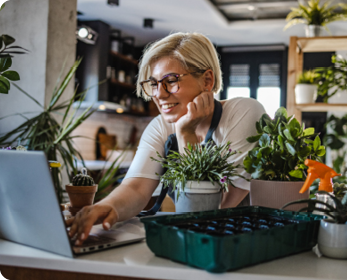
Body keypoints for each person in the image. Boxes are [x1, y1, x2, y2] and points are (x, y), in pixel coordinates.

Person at [67, 32, 266, 245]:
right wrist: (107, 208)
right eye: (153, 84)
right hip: (192, 242)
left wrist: (186, 134)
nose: (159, 95)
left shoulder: (244, 112)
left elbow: (215, 209)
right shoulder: (160, 126)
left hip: (244, 243)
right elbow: (136, 188)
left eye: (170, 81)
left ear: (207, 80)